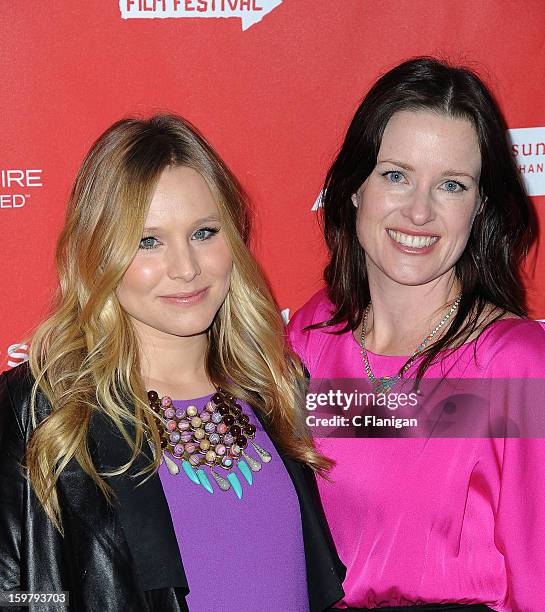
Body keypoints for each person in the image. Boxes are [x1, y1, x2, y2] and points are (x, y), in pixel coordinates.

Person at [0, 114, 345, 611]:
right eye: (149, 241)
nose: (186, 268)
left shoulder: (278, 387)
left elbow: (448, 425)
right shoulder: (47, 411)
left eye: (204, 233)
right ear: (99, 253)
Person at [288, 57, 545, 611]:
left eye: (451, 185)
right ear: (354, 187)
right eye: (396, 175)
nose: (420, 211)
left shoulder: (516, 366)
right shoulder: (312, 337)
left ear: (479, 206)